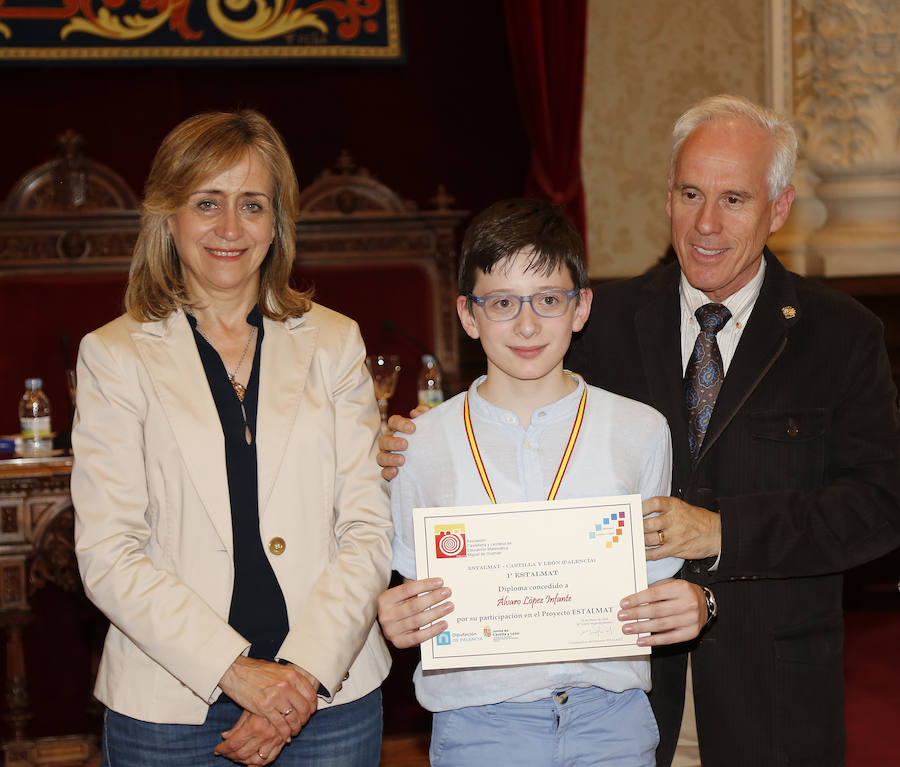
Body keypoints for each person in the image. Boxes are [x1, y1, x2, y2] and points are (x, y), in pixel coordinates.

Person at [378, 94, 900, 767]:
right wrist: (412, 436)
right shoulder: (600, 320)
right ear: (667, 198)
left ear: (778, 208)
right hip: (624, 706)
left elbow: (881, 504)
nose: (706, 223)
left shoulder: (840, 334)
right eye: (690, 193)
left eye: (734, 199)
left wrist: (721, 531)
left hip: (771, 690)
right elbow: (518, 415)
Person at [71, 110, 392, 767]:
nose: (229, 227)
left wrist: (302, 674)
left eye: (252, 204)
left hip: (328, 701)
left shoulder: (335, 341)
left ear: (277, 221)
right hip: (168, 710)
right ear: (169, 217)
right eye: (206, 203)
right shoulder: (113, 354)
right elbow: (109, 550)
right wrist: (235, 669)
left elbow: (367, 527)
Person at [377, 198, 710, 767]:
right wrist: (393, 611)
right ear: (467, 314)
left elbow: (654, 581)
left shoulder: (640, 430)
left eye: (549, 300)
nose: (527, 325)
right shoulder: (418, 444)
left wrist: (692, 602)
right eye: (502, 302)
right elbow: (409, 584)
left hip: (611, 722)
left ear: (581, 307)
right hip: (479, 725)